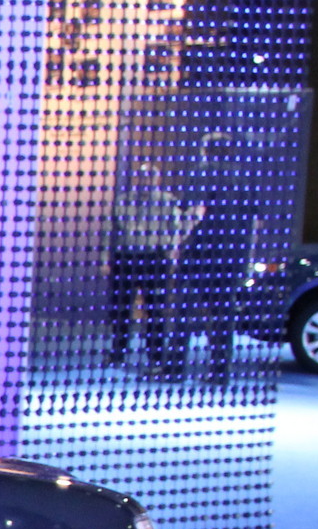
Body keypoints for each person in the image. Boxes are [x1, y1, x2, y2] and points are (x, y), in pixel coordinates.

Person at [176, 131, 252, 385]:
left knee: (183, 310)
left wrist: (179, 244)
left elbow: (194, 210)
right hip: (232, 257)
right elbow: (254, 222)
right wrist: (246, 260)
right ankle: (220, 371)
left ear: (206, 150)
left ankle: (175, 369)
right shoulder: (243, 177)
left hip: (201, 253)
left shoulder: (203, 172)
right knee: (222, 315)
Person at [108, 161, 175, 366]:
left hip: (154, 259)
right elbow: (111, 233)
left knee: (155, 309)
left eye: (150, 177)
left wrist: (169, 255)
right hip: (126, 259)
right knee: (121, 309)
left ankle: (155, 356)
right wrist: (106, 259)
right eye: (143, 177)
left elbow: (174, 232)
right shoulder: (123, 202)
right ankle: (118, 352)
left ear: (157, 180)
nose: (146, 181)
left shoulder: (167, 202)